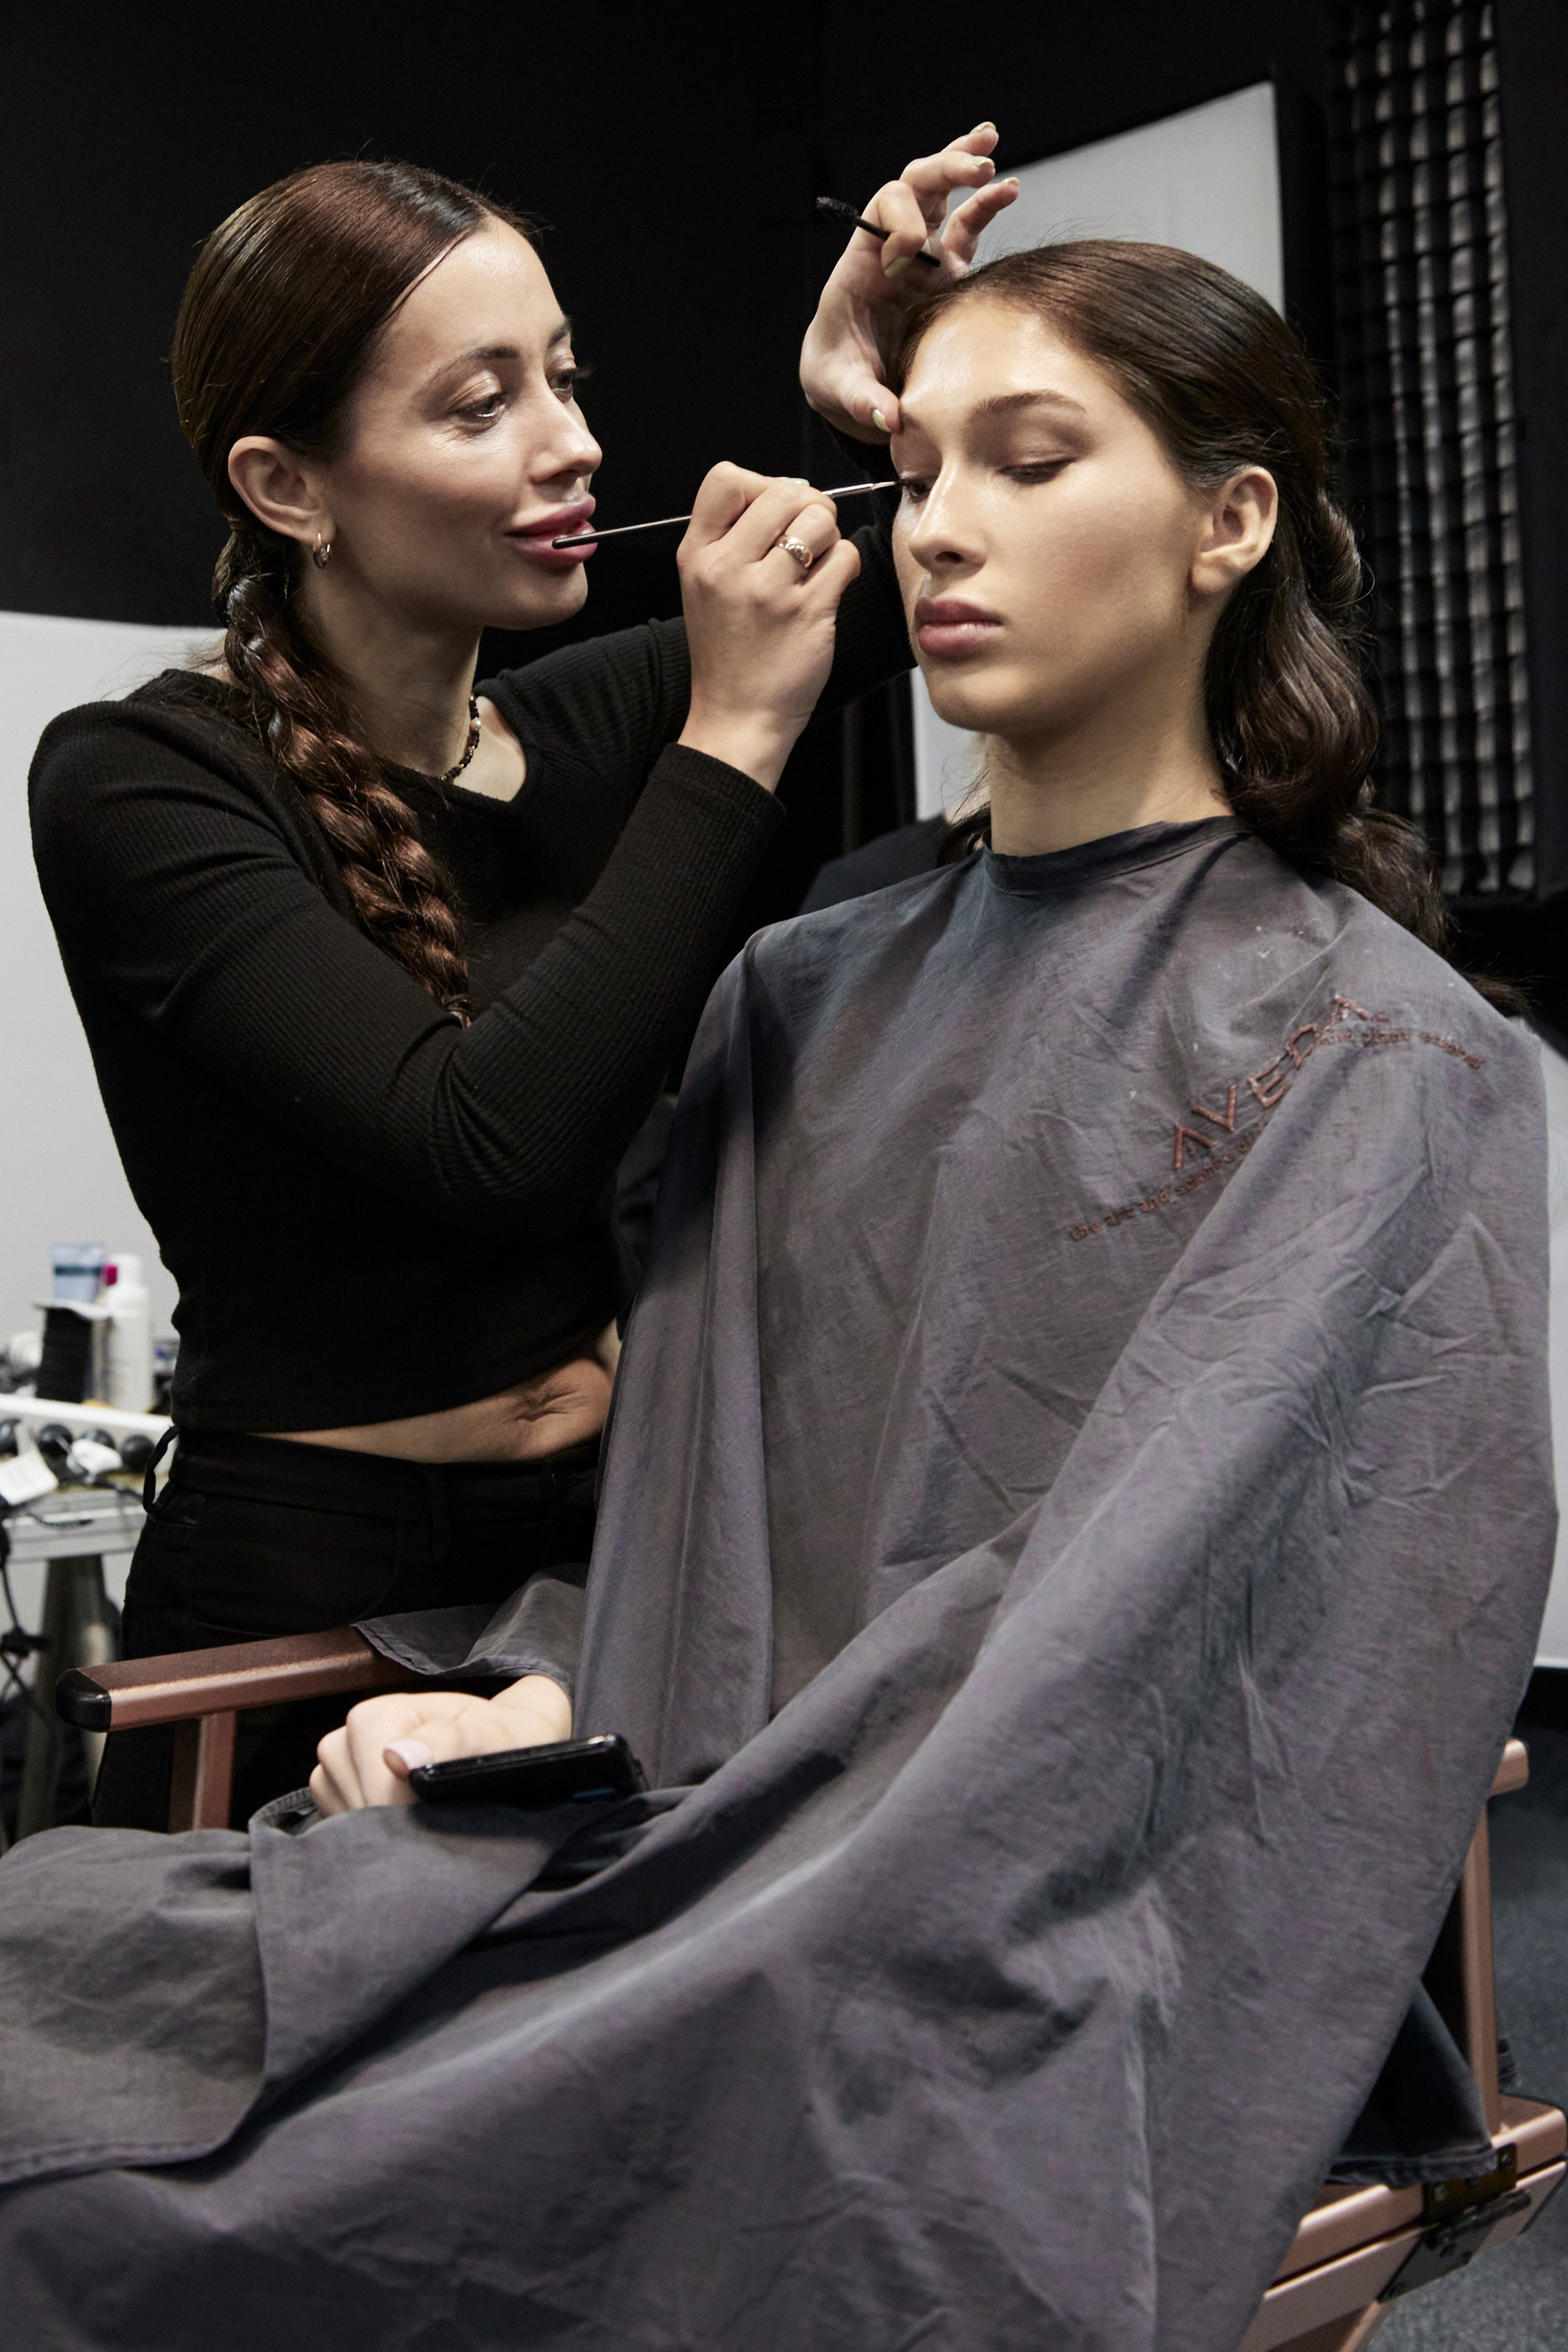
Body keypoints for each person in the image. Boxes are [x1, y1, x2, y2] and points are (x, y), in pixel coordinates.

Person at [0, 241, 1551, 2352]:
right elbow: (698, 1497)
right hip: (640, 1782)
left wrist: (714, 1782)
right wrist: (557, 1687)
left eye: (1027, 460)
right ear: (290, 485)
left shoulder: (1389, 1058)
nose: (944, 530)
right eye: (919, 477)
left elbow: (1167, 1648)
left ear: (1232, 518)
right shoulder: (798, 990)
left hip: (950, 1892)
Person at [27, 132, 1017, 1828]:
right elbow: (488, 1149)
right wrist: (730, 735)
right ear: (290, 486)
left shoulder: (581, 725)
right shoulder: (139, 781)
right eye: (481, 406)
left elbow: (911, 587)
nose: (576, 445)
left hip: (602, 1556)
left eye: (562, 378)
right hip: (300, 1580)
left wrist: (867, 392)